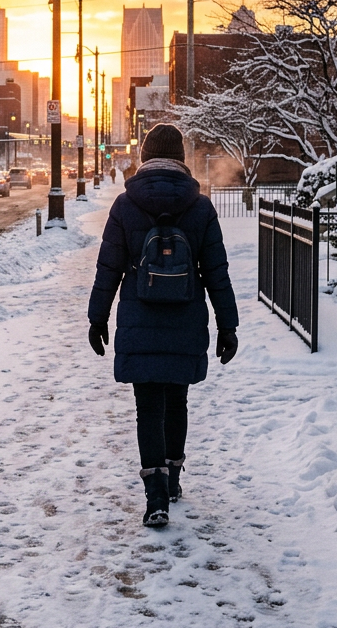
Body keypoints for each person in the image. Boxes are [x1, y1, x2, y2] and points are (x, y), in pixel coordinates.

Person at [87, 123, 238, 528]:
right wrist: (228, 325)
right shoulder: (201, 207)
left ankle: (155, 495)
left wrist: (97, 317)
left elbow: (109, 269)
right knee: (177, 401)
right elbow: (216, 272)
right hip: (186, 319)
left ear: (144, 157)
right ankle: (171, 478)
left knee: (147, 407)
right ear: (182, 159)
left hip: (140, 319)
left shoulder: (124, 205)